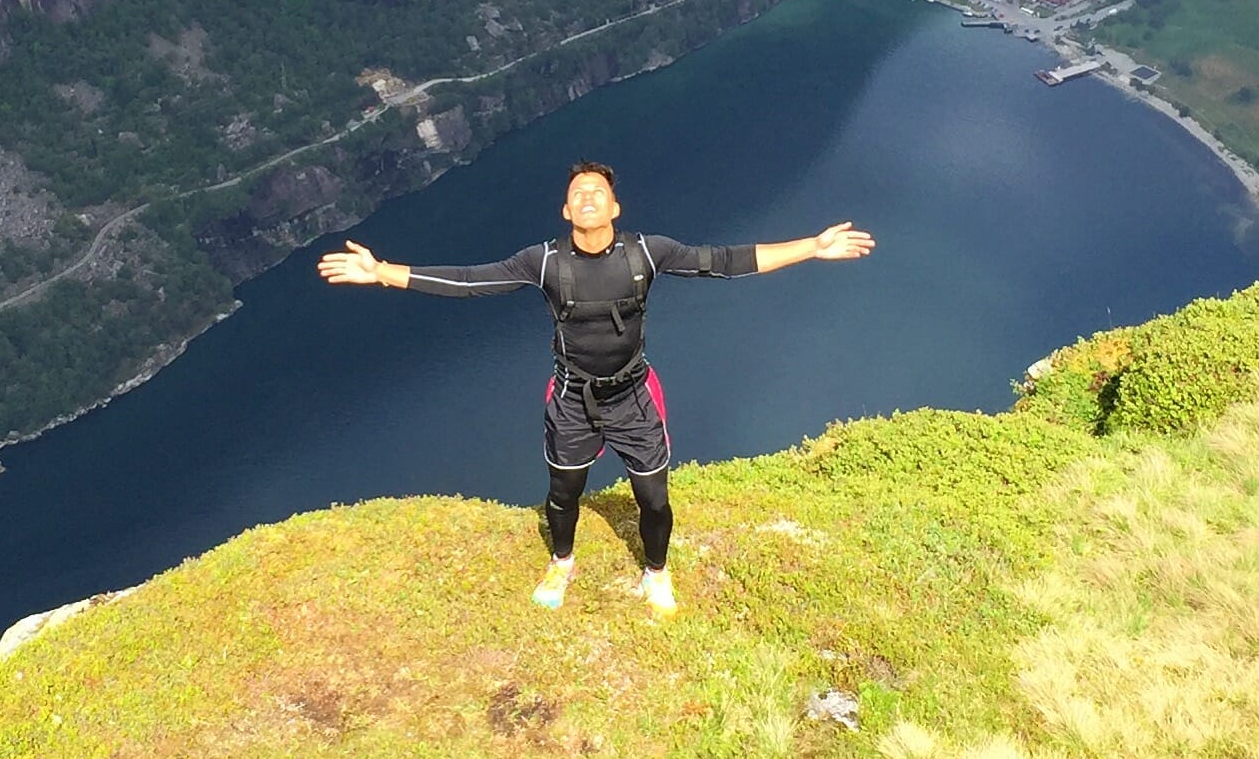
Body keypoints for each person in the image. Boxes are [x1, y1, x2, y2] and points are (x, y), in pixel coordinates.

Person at [317, 159, 874, 614]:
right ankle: (562, 563)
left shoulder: (647, 252)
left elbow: (725, 262)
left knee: (653, 497)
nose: (587, 196)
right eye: (577, 191)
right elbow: (470, 282)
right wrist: (383, 272)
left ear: (614, 207)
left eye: (597, 190)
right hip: (571, 402)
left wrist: (812, 247)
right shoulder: (543, 262)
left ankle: (656, 573)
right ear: (566, 210)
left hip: (633, 397)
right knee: (563, 496)